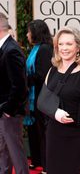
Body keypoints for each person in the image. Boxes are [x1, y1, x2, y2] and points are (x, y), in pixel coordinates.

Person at [45, 27, 80, 174]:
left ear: (78, 47)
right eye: (60, 44)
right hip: (54, 135)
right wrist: (55, 112)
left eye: (68, 44)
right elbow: (43, 102)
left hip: (76, 137)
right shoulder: (52, 71)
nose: (64, 48)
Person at [0, 12, 29, 174]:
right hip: (4, 112)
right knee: (3, 152)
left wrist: (8, 110)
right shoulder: (5, 47)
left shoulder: (11, 50)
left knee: (15, 153)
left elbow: (20, 86)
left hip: (10, 114)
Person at [25, 19, 53, 174]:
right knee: (34, 131)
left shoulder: (44, 49)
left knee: (43, 132)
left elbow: (43, 75)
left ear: (35, 33)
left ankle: (47, 165)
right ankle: (37, 161)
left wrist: (24, 79)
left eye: (29, 31)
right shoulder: (36, 48)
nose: (27, 34)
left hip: (41, 96)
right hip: (32, 96)